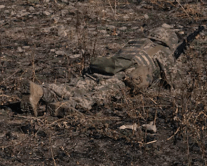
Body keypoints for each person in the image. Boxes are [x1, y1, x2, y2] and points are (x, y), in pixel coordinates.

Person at [23, 25, 188, 116]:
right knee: (95, 97)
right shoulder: (163, 52)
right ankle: (62, 108)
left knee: (75, 87)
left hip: (105, 69)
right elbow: (178, 85)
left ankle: (41, 91)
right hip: (122, 79)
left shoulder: (137, 42)